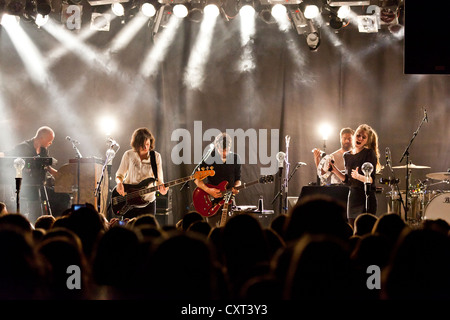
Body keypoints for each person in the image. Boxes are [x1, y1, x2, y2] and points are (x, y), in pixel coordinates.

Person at [5, 126, 71, 221]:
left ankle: (55, 221)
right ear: (41, 138)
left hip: (40, 186)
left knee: (64, 196)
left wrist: (59, 175)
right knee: (63, 197)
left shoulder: (44, 150)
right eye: (49, 140)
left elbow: (47, 166)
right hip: (26, 187)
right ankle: (55, 222)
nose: (51, 143)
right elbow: (10, 158)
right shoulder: (24, 147)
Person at [329, 124, 381, 227]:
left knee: (366, 229)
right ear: (354, 136)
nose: (360, 138)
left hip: (367, 195)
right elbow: (348, 180)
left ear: (367, 141)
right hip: (353, 196)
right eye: (358, 135)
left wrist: (359, 177)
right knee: (353, 228)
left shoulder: (369, 153)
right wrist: (334, 170)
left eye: (364, 137)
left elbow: (370, 180)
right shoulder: (347, 155)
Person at [114, 127, 168, 219]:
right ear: (136, 144)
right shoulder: (128, 154)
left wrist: (162, 189)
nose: (145, 147)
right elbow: (119, 175)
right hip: (129, 200)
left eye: (147, 144)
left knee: (148, 231)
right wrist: (119, 183)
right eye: (142, 145)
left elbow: (159, 180)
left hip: (148, 201)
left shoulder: (156, 157)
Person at [194, 132, 241, 227]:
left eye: (226, 150)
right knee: (212, 230)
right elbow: (195, 178)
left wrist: (237, 187)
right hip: (212, 201)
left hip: (229, 199)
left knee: (229, 231)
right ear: (216, 147)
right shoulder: (209, 157)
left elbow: (238, 179)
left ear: (230, 147)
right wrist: (208, 190)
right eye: (221, 150)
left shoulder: (236, 158)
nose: (224, 153)